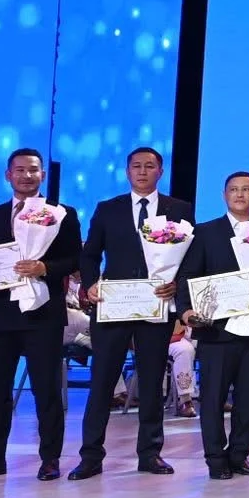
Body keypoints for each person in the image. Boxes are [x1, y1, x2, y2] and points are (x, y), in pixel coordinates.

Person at [71, 146, 195, 481]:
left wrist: (176, 286)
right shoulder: (107, 209)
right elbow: (89, 254)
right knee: (102, 381)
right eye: (136, 166)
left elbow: (190, 258)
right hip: (113, 305)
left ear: (160, 171)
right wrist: (91, 284)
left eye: (149, 166)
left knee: (152, 381)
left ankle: (150, 453)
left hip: (156, 305)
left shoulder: (179, 209)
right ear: (127, 171)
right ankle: (90, 456)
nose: (142, 171)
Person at [0, 148, 83, 481]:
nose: (26, 175)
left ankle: (50, 458)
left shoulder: (61, 214)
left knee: (46, 391)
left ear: (42, 175)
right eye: (19, 170)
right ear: (8, 175)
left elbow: (75, 259)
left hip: (43, 315)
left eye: (33, 170)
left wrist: (43, 267)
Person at [174, 171, 249, 480]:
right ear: (224, 195)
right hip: (216, 328)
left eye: (246, 189)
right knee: (213, 398)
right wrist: (185, 311)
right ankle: (215, 458)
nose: (240, 194)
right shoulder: (205, 232)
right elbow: (187, 276)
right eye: (234, 189)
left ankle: (239, 455)